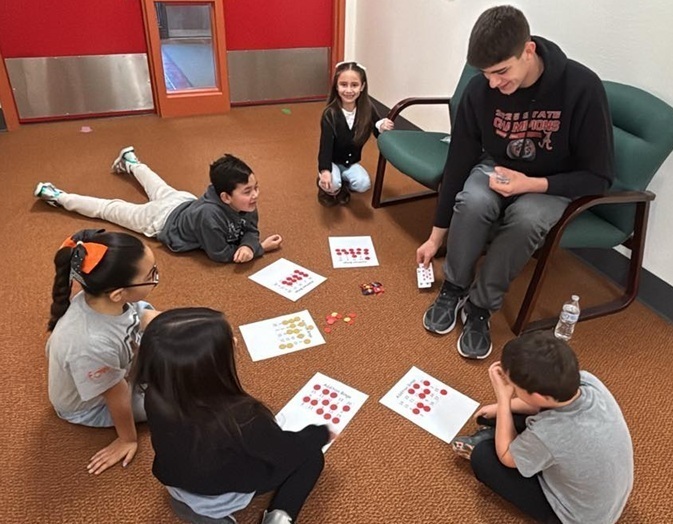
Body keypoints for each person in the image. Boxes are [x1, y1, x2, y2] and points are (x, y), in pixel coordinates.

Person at [417, 5, 614, 359]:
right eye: (486, 73)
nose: (494, 83)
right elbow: (459, 160)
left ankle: (480, 307)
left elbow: (598, 178)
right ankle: (455, 287)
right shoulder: (481, 91)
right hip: (497, 166)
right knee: (474, 200)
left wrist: (530, 184)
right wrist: (435, 236)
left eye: (502, 71)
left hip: (554, 181)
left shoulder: (582, 87)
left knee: (527, 219)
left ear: (528, 50)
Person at [132, 307, 330, 524]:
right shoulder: (243, 416)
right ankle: (279, 517)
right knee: (311, 457)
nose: (235, 341)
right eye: (228, 341)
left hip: (177, 484)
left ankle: (192, 507)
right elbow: (285, 450)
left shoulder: (153, 395)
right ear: (209, 369)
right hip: (222, 493)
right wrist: (318, 434)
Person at [450, 331, 633, 523]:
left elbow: (507, 457)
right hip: (602, 494)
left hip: (577, 517)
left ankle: (499, 442)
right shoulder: (587, 381)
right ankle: (509, 439)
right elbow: (538, 405)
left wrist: (503, 399)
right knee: (502, 418)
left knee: (483, 457)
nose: (510, 388)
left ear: (536, 395)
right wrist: (500, 408)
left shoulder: (550, 433)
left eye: (514, 386)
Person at [45, 228, 161, 475]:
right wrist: (127, 439)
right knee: (172, 399)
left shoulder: (104, 299)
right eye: (151, 274)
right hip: (91, 406)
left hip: (110, 361)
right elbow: (116, 396)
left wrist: (196, 331)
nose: (155, 278)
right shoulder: (91, 344)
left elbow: (141, 315)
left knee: (152, 319)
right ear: (118, 293)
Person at [34, 148, 283, 264]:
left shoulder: (247, 204)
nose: (255, 196)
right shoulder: (210, 216)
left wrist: (250, 243)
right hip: (160, 219)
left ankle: (131, 162)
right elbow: (219, 254)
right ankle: (58, 196)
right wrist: (258, 249)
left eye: (256, 188)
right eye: (248, 191)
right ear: (226, 197)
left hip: (183, 201)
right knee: (110, 209)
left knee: (157, 184)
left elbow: (249, 229)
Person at [317, 61, 394, 206]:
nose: (349, 90)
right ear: (336, 86)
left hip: (350, 162)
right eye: (343, 84)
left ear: (362, 87)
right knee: (332, 184)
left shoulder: (367, 108)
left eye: (354, 85)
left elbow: (377, 131)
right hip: (332, 161)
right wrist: (325, 170)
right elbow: (325, 147)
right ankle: (329, 186)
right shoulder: (330, 113)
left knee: (363, 184)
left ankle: (343, 184)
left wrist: (383, 126)